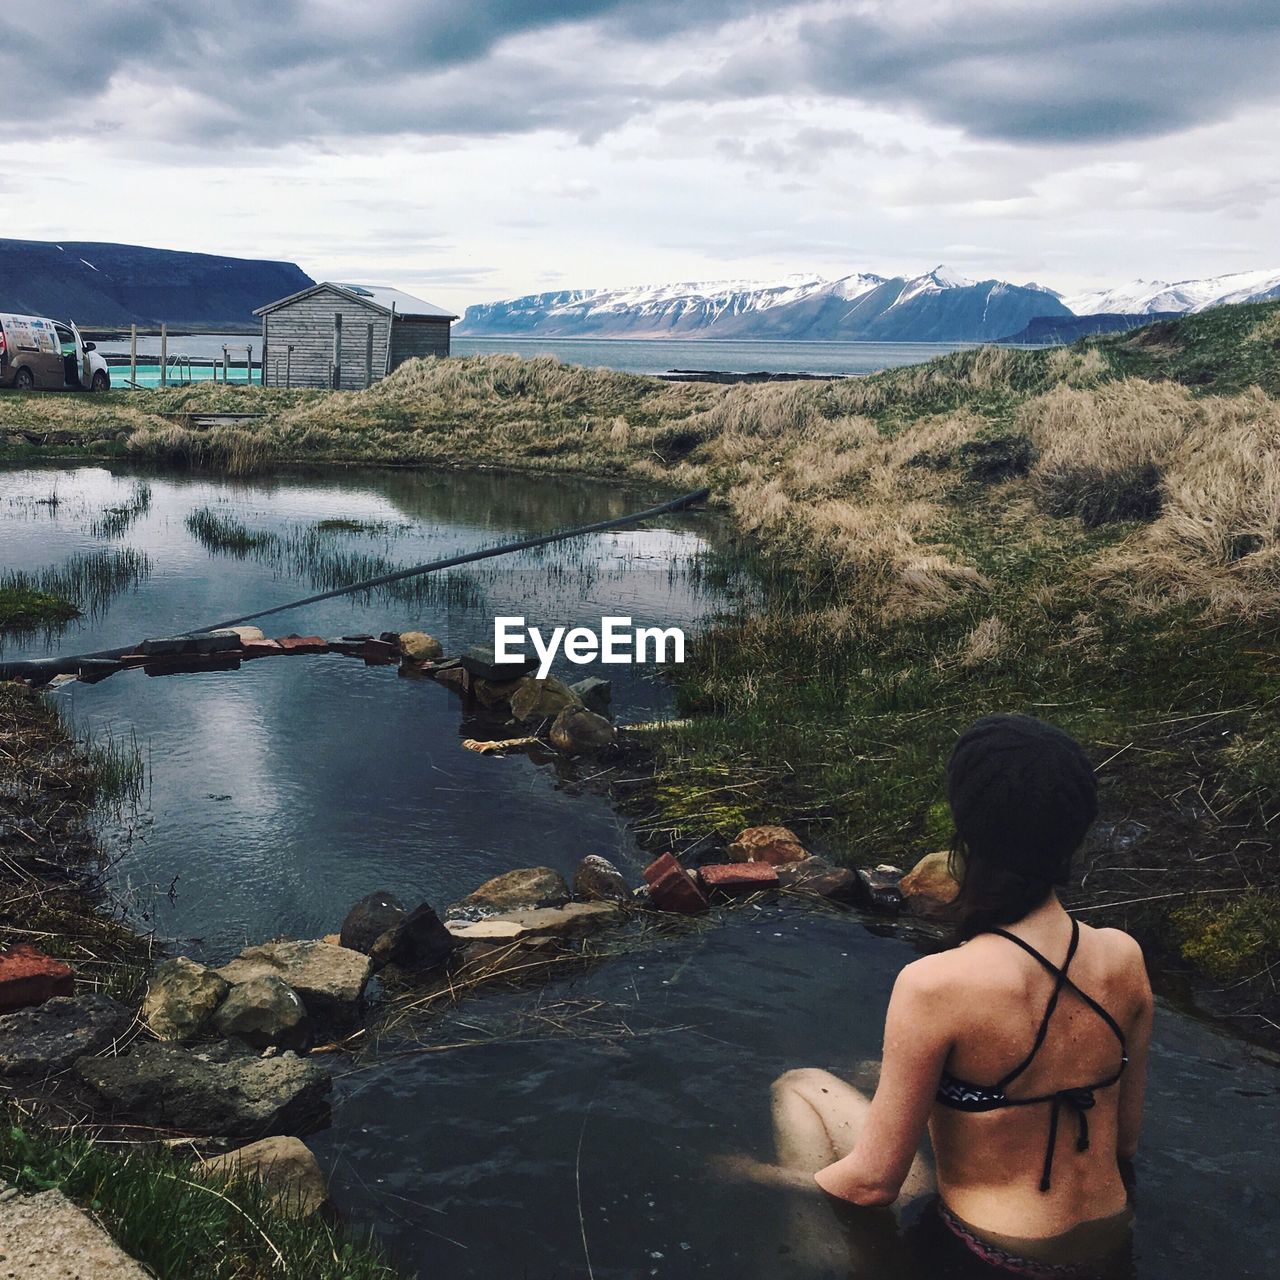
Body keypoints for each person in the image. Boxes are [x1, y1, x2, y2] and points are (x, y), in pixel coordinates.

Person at [721, 714, 1154, 1278]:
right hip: (1108, 1247)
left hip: (987, 1257)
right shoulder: (1124, 957)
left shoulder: (937, 984)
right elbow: (1124, 1145)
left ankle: (814, 1255)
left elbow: (871, 1184)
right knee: (851, 1083)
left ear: (969, 830)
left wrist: (743, 1174)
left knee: (799, 1085)